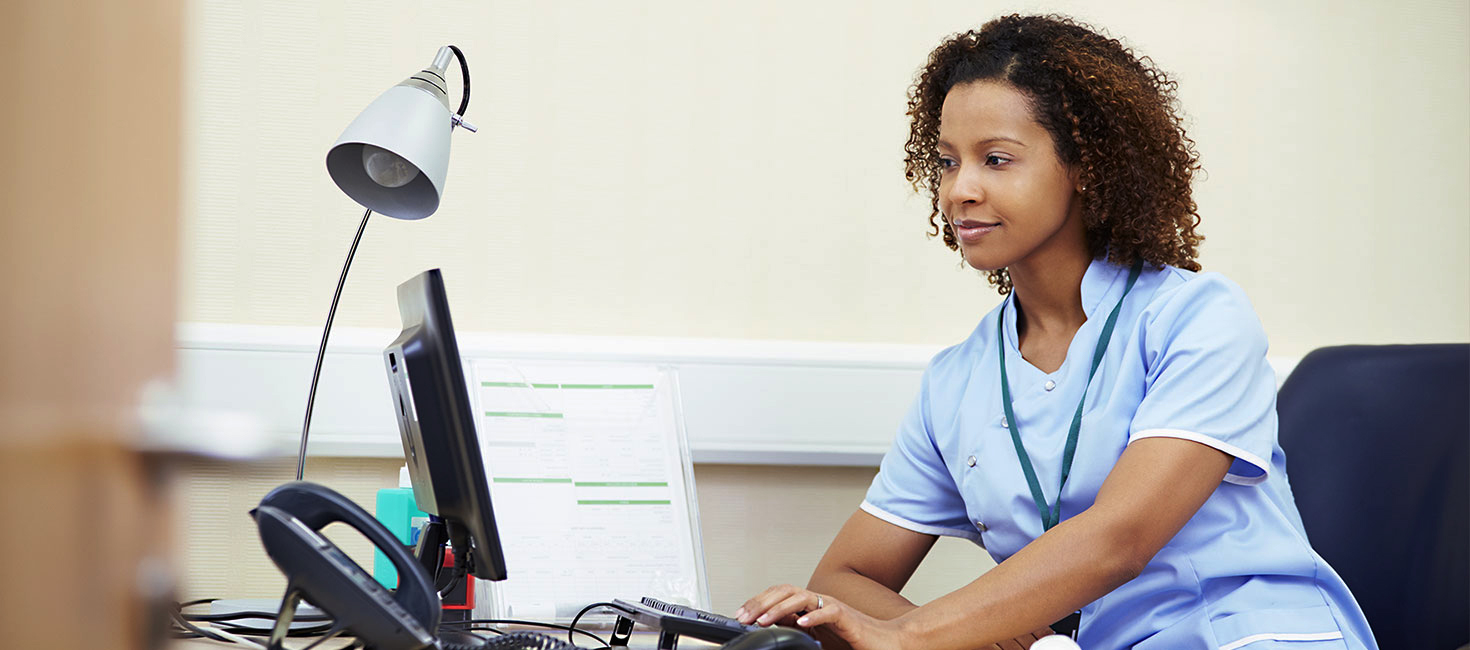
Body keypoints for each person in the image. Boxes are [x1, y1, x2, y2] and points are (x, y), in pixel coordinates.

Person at [734, 14, 1377, 650]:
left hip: (1247, 636)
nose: (960, 189)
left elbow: (1118, 540)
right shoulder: (958, 379)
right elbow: (846, 578)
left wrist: (917, 637)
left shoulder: (1199, 317)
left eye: (996, 159)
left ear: (1085, 166)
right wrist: (982, 634)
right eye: (947, 162)